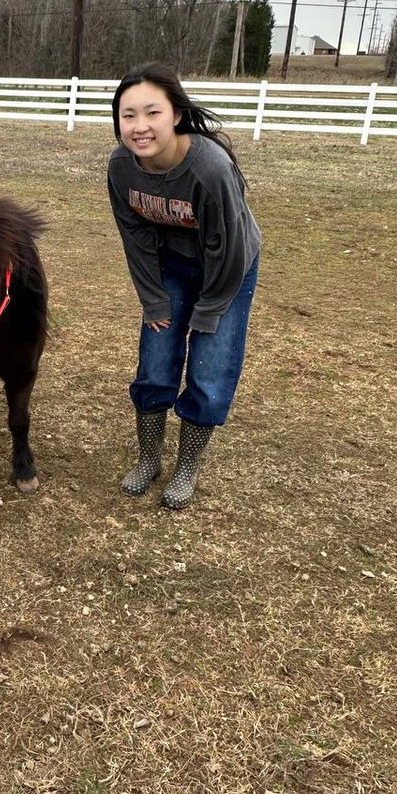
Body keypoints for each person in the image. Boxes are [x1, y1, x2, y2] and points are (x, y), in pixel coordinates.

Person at [107, 63, 261, 509]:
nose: (139, 127)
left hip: (228, 270)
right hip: (170, 266)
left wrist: (209, 311)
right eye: (128, 114)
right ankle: (149, 458)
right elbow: (134, 237)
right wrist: (154, 300)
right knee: (156, 360)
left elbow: (229, 249)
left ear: (175, 114)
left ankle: (188, 466)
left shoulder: (210, 170)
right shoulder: (121, 168)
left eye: (151, 113)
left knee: (210, 368)